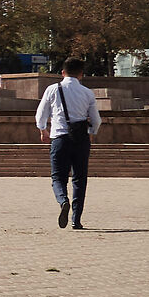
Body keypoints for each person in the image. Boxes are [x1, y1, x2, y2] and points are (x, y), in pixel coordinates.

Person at [35, 57, 101, 229]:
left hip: (60, 139)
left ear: (62, 72)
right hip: (81, 140)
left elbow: (41, 113)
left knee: (58, 177)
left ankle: (63, 200)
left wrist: (43, 129)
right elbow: (96, 120)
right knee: (79, 179)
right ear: (81, 74)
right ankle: (76, 220)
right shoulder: (87, 93)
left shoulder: (52, 89)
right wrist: (92, 132)